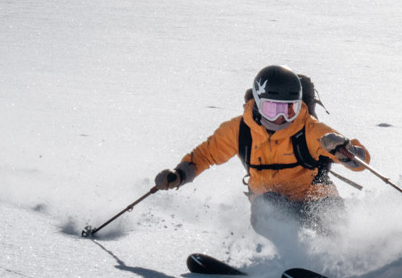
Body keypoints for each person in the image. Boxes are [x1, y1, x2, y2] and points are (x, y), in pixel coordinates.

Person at [153, 65, 371, 240]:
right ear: (257, 103)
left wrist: (346, 152)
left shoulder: (311, 129)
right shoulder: (239, 130)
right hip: (271, 203)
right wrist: (179, 175)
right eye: (272, 108)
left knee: (332, 222)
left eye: (289, 109)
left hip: (317, 200)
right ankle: (291, 259)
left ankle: (339, 264)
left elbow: (361, 162)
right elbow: (204, 155)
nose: (281, 118)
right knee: (269, 208)